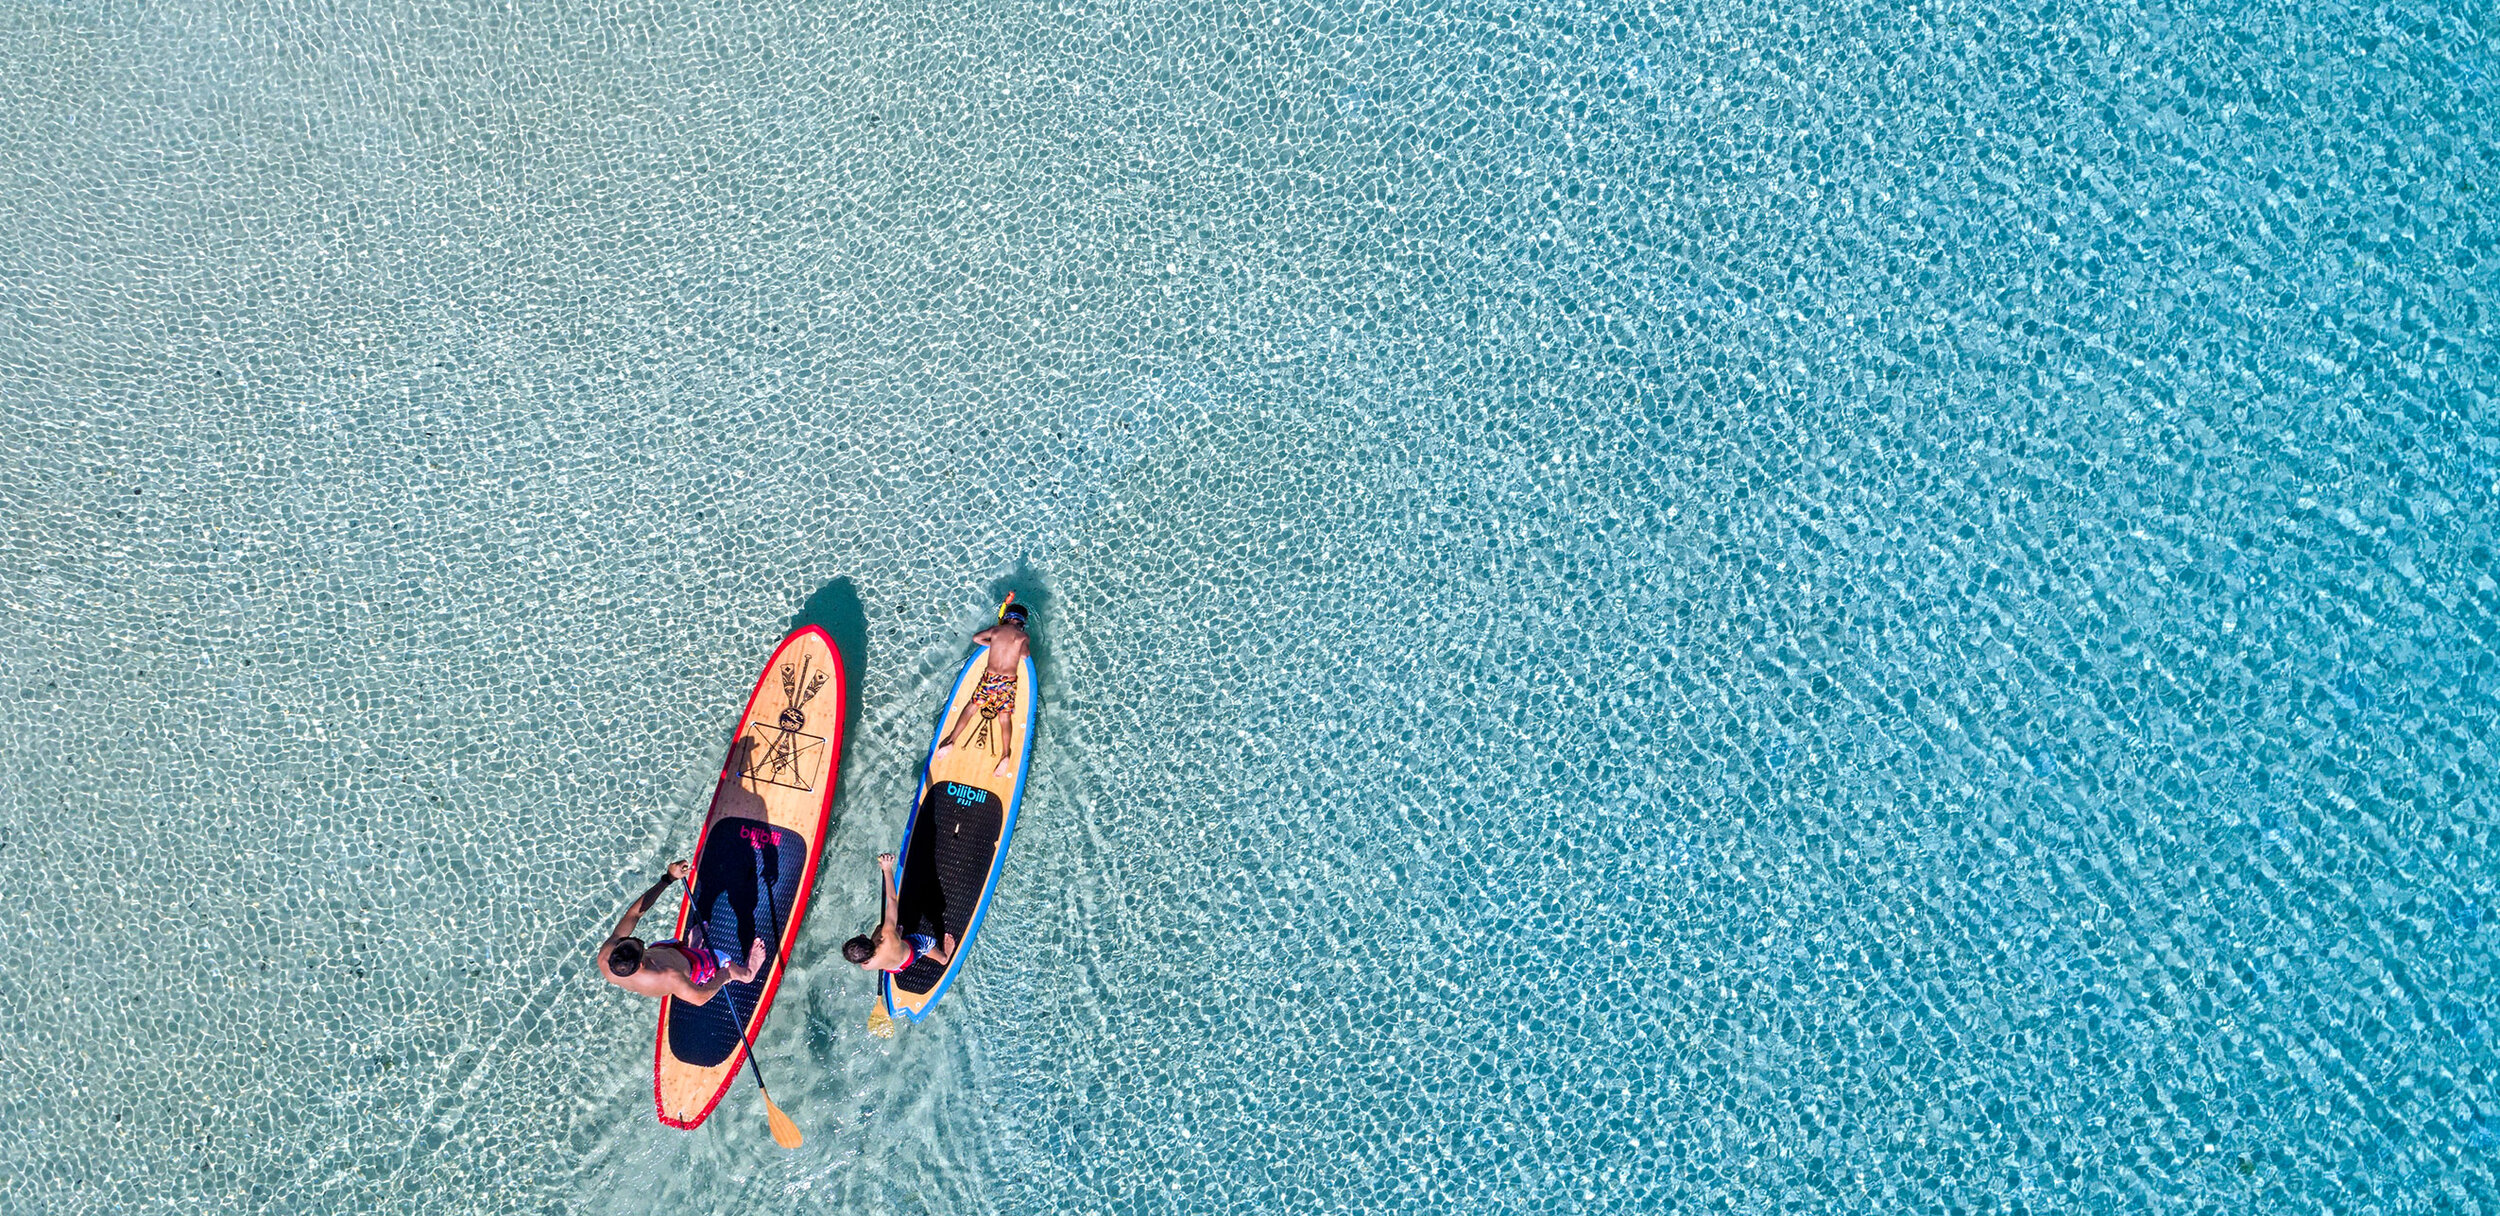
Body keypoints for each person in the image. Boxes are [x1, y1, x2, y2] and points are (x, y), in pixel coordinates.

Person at [597, 860, 765, 1006]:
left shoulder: (606, 957)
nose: (636, 938)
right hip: (691, 968)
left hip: (666, 954)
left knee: (667, 946)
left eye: (629, 939)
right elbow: (699, 999)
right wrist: (723, 976)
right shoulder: (667, 976)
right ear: (641, 964)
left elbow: (635, 914)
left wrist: (668, 879)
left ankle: (692, 948)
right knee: (723, 961)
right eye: (640, 944)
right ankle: (746, 974)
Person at [934, 602, 1032, 778]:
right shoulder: (1022, 636)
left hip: (990, 677)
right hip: (1007, 682)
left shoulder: (995, 630)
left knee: (972, 707)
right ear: (1021, 622)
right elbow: (1024, 655)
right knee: (1004, 717)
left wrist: (993, 644)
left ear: (1006, 619)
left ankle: (951, 741)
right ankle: (1005, 755)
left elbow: (976, 638)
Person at [843, 851, 955, 973]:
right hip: (911, 952)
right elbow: (892, 901)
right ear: (862, 936)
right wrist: (887, 869)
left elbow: (878, 942)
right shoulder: (888, 933)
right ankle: (943, 957)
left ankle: (898, 939)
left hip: (895, 968)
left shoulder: (866, 965)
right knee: (924, 945)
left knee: (879, 928)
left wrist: (895, 937)